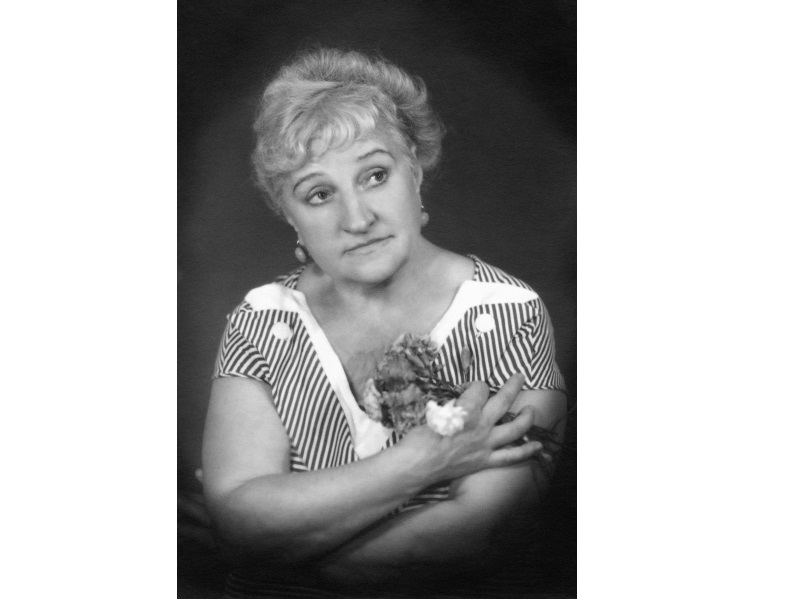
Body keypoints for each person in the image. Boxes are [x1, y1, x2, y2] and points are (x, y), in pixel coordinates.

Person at [201, 47, 568, 598]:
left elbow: (475, 535)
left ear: (414, 170)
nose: (357, 218)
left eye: (375, 175)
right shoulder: (260, 322)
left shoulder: (508, 314)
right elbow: (241, 517)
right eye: (319, 194)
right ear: (288, 214)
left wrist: (271, 553)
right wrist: (423, 461)